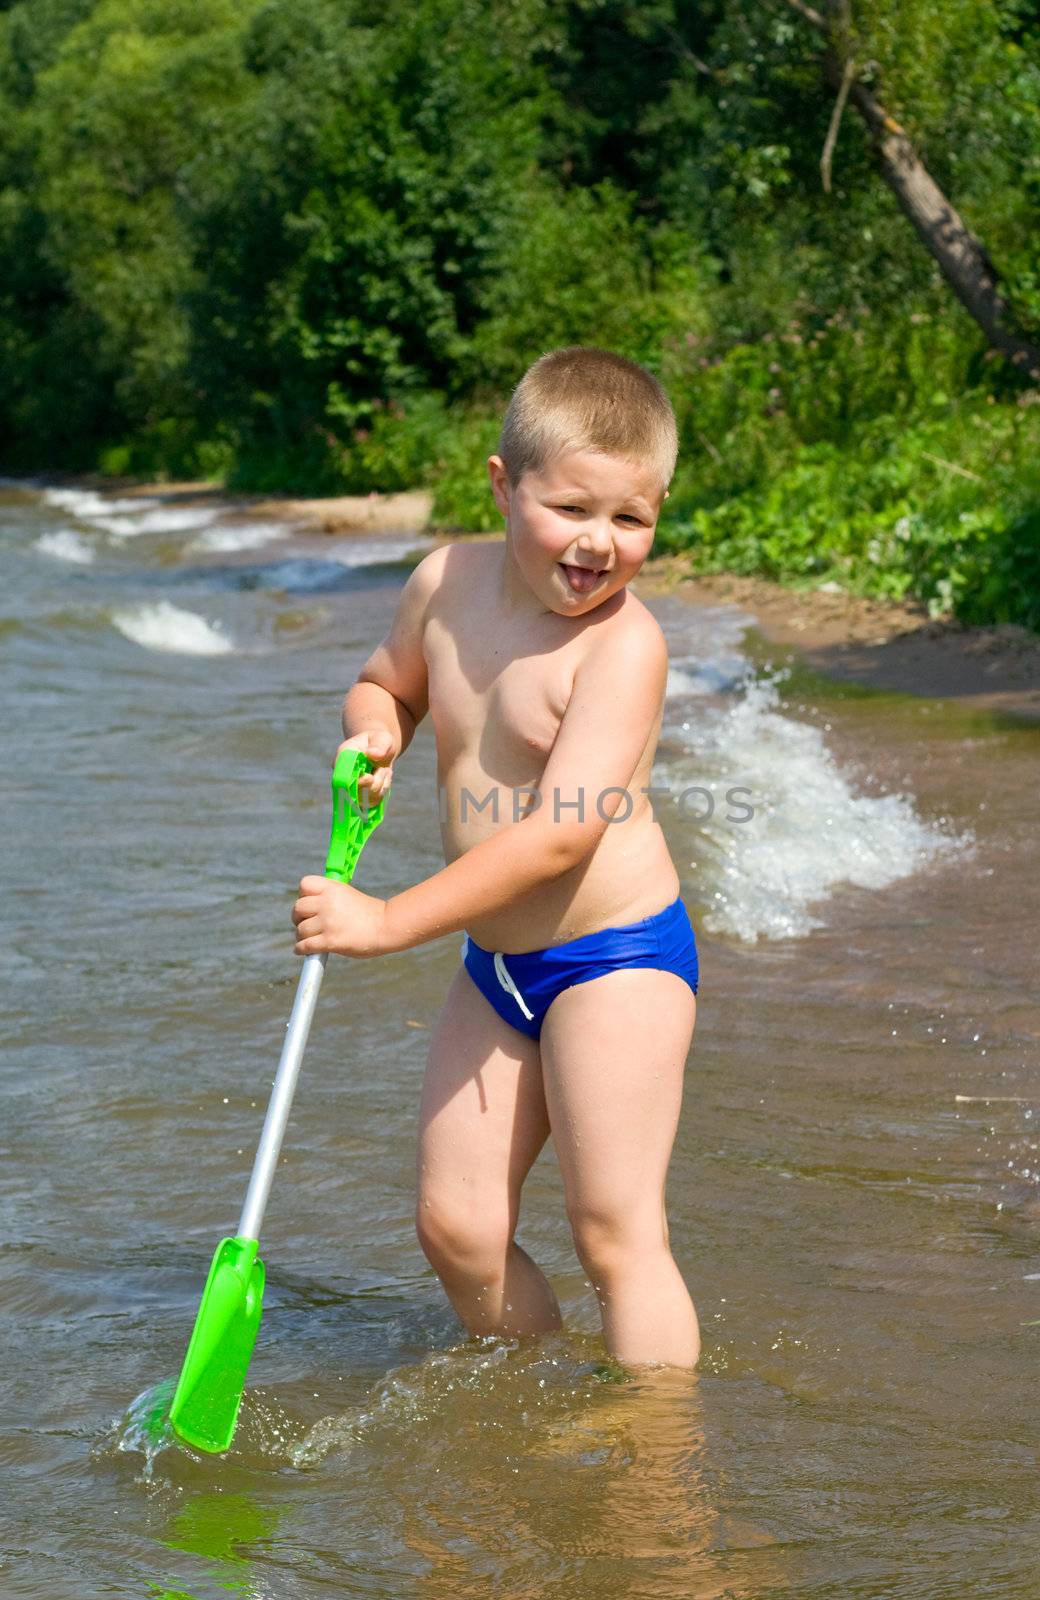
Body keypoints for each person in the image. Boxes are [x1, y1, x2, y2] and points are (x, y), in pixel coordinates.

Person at [292, 346, 701, 1368]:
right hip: (497, 970)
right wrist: (372, 733)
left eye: (631, 520)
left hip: (614, 962)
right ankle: (541, 1387)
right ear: (499, 484)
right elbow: (383, 682)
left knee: (612, 1230)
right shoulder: (444, 582)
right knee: (458, 1227)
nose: (597, 543)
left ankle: (654, 1458)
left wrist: (385, 921)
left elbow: (561, 833)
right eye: (569, 508)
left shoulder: (622, 648)